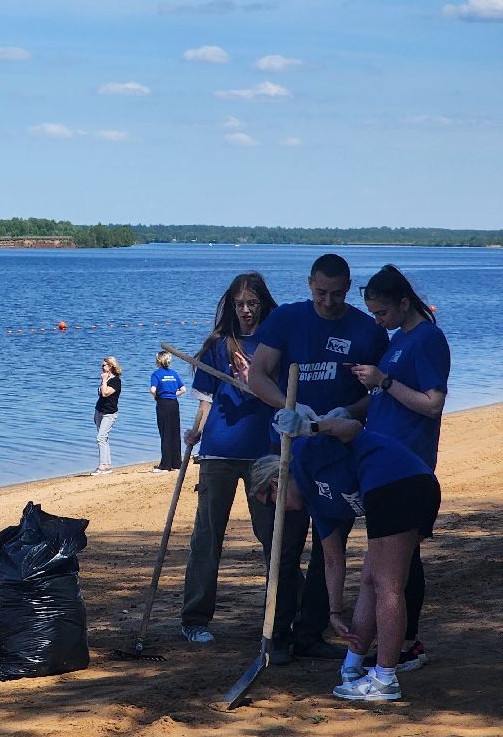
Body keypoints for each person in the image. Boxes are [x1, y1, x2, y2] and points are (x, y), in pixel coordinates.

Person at [247, 253, 389, 661]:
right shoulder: (288, 319)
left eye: (338, 293)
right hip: (290, 453)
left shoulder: (366, 330)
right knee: (284, 544)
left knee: (330, 547)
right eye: (321, 292)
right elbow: (258, 374)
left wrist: (349, 412)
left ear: (349, 288)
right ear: (309, 283)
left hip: (339, 457)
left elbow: (376, 392)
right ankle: (275, 633)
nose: (328, 301)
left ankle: (310, 633)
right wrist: (284, 408)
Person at [254, 408, 440, 702]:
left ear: (276, 482)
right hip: (407, 487)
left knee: (387, 585)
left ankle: (386, 680)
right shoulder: (319, 508)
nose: (279, 510)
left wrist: (311, 427)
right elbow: (332, 560)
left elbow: (352, 427)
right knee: (370, 579)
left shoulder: (303, 454)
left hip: (398, 481)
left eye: (271, 502)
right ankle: (353, 668)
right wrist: (334, 612)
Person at [351, 264, 450, 673]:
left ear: (404, 302)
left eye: (382, 314)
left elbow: (432, 403)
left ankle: (408, 643)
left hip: (407, 465)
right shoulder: (401, 339)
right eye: (374, 314)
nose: (379, 322)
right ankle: (400, 640)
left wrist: (384, 381)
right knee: (396, 559)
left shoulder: (427, 339)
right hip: (383, 463)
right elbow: (386, 397)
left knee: (401, 561)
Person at [178, 271, 280, 646]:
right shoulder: (221, 344)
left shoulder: (276, 343)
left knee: (273, 535)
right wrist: (196, 429)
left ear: (263, 304)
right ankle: (194, 618)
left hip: (264, 454)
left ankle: (281, 617)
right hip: (219, 451)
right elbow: (206, 395)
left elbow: (284, 395)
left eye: (252, 303)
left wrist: (254, 379)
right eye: (239, 304)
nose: (245, 311)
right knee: (206, 537)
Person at [148, 352, 187, 473]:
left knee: (165, 433)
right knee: (175, 432)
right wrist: (172, 394)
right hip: (174, 404)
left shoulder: (156, 374)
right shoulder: (174, 374)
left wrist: (156, 397)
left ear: (158, 361)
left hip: (163, 404)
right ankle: (176, 463)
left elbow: (152, 389)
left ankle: (165, 465)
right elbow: (183, 389)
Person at [92, 357, 122, 476]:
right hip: (99, 411)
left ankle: (102, 466)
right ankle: (107, 465)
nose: (102, 367)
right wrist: (104, 380)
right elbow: (100, 392)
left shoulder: (116, 381)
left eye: (104, 365)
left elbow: (104, 393)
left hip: (109, 414)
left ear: (110, 367)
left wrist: (104, 380)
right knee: (104, 438)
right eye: (102, 365)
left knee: (101, 438)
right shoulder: (106, 378)